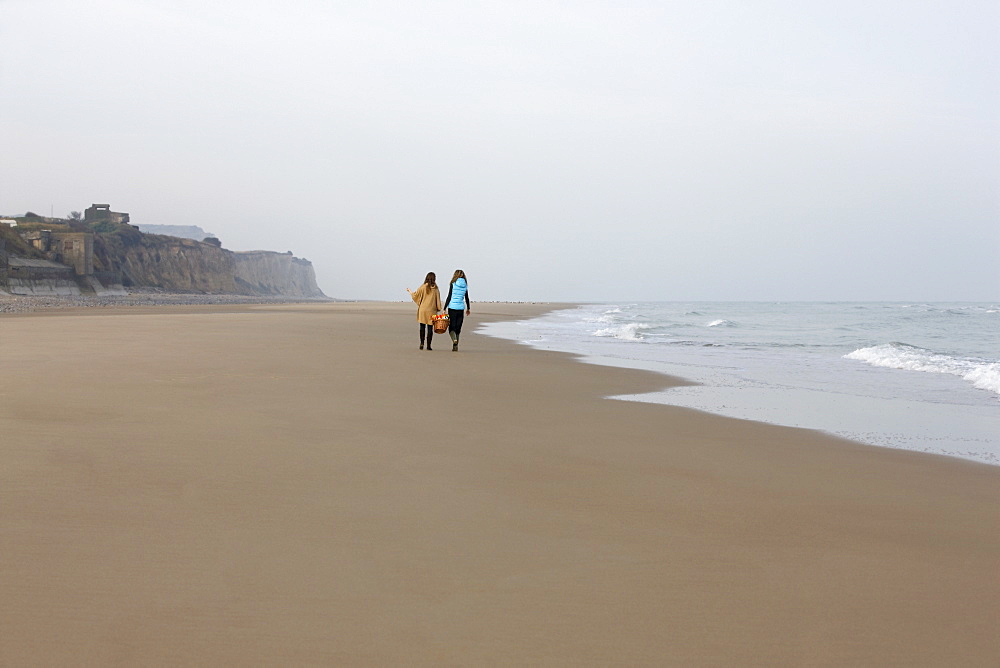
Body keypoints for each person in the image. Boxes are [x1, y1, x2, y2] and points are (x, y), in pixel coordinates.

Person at [406, 272, 442, 350]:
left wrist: (410, 292)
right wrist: (439, 308)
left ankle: (422, 343)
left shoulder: (423, 287)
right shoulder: (436, 289)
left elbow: (416, 296)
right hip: (432, 311)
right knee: (430, 328)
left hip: (423, 310)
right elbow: (438, 300)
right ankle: (428, 346)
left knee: (422, 327)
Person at [443, 269, 471, 352]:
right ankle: (455, 345)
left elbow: (449, 296)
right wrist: (468, 308)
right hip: (461, 308)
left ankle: (454, 340)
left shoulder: (453, 283)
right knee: (458, 328)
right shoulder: (465, 285)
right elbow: (467, 298)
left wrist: (444, 308)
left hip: (452, 307)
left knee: (452, 327)